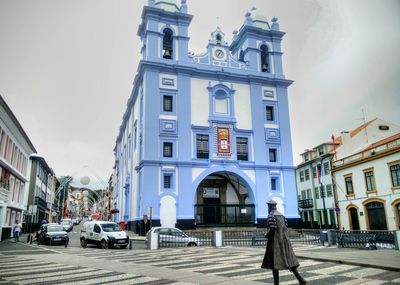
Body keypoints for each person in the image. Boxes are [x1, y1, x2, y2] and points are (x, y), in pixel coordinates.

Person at [261, 200, 307, 285]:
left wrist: (266, 235)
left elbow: (272, 228)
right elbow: (286, 227)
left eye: (268, 206)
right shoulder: (282, 215)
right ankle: (301, 279)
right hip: (284, 242)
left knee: (274, 263)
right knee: (290, 261)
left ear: (270, 207)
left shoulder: (271, 215)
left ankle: (276, 283)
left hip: (275, 243)